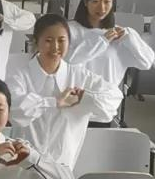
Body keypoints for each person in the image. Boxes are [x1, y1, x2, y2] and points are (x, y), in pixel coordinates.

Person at [6, 14, 122, 169]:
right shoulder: (20, 75)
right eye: (48, 40)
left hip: (63, 166)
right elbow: (13, 109)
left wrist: (85, 98)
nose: (55, 47)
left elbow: (114, 97)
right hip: (22, 164)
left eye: (61, 40)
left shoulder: (79, 76)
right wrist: (54, 102)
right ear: (36, 41)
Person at [66, 0, 155, 125]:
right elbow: (68, 60)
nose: (102, 7)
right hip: (72, 106)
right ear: (85, 2)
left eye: (107, 1)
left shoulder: (121, 34)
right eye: (96, 1)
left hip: (103, 108)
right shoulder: (70, 29)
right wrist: (102, 41)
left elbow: (146, 63)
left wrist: (130, 39)